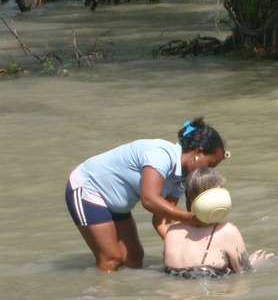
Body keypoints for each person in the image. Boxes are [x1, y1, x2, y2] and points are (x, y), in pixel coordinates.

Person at [66, 117, 228, 272]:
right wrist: (189, 217)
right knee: (111, 259)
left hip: (117, 203)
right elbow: (149, 199)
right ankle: (100, 297)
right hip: (88, 189)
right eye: (210, 165)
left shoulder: (182, 178)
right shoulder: (161, 155)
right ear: (198, 153)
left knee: (135, 258)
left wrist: (184, 250)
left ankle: (122, 298)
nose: (208, 171)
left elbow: (162, 220)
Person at [161, 168, 273, 278]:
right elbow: (244, 274)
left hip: (173, 295)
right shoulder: (227, 231)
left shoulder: (172, 230)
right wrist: (255, 263)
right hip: (209, 295)